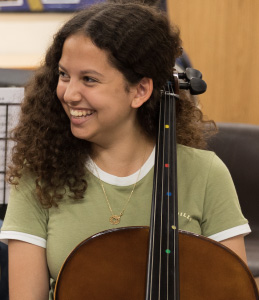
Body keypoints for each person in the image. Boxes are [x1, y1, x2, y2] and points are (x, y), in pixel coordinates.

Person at [0, 2, 251, 300]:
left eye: (89, 79)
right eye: (64, 75)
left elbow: (233, 291)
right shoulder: (41, 172)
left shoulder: (205, 173)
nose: (69, 93)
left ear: (140, 91)